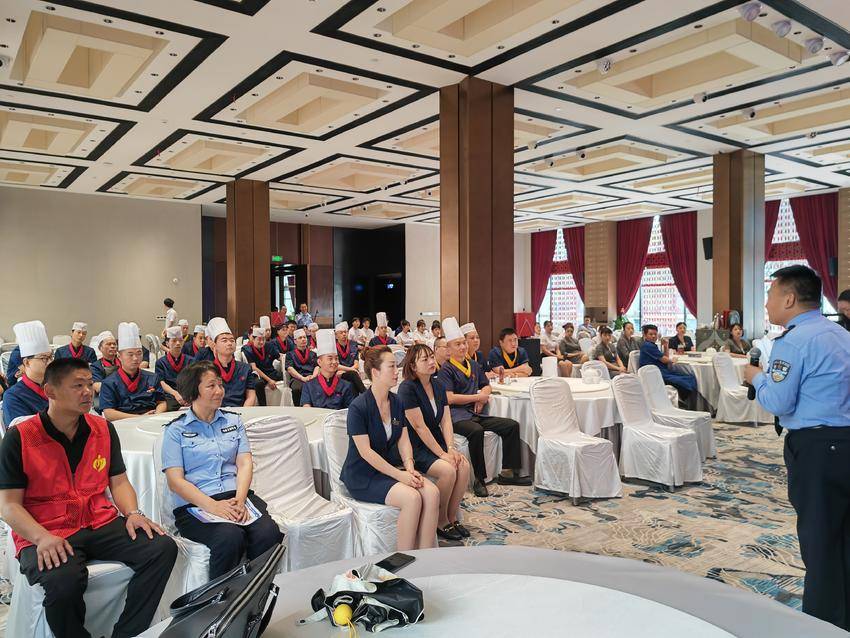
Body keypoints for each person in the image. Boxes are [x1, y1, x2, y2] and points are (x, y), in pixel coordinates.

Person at [0, 357, 177, 638]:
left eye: (88, 384)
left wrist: (133, 513)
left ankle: (128, 633)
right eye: (77, 386)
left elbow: (118, 480)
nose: (87, 392)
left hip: (98, 520)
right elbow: (8, 505)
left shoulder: (102, 429)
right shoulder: (20, 437)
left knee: (162, 548)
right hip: (47, 528)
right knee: (63, 582)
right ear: (50, 391)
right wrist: (41, 537)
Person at [742, 265, 850, 631]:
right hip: (845, 442)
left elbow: (779, 402)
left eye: (770, 295)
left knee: (819, 541)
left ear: (789, 298)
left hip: (817, 450)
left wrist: (756, 377)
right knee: (843, 536)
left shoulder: (793, 341)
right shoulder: (840, 334)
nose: (766, 303)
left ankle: (822, 624)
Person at [162, 361, 284, 579]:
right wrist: (214, 506)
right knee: (229, 537)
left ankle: (256, 589)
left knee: (268, 532)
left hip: (236, 496)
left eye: (220, 384)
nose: (219, 391)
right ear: (193, 390)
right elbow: (175, 481)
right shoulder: (176, 430)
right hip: (196, 504)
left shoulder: (233, 421)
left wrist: (240, 500)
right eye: (211, 386)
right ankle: (221, 596)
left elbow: (245, 463)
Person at [340, 347, 439, 551]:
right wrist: (400, 476)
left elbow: (403, 440)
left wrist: (409, 467)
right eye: (392, 367)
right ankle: (405, 557)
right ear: (375, 372)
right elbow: (366, 453)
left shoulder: (396, 402)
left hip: (387, 469)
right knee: (412, 498)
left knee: (432, 493)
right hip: (362, 475)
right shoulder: (358, 407)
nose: (397, 371)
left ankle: (426, 556)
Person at [438, 317, 530, 497]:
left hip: (474, 413)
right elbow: (449, 398)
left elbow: (486, 385)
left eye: (464, 343)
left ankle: (508, 473)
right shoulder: (446, 370)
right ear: (448, 349)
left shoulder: (473, 365)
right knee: (476, 431)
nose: (463, 347)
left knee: (511, 425)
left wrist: (482, 397)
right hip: (455, 416)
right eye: (458, 344)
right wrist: (477, 397)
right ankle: (479, 479)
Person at [399, 344, 471, 541]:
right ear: (413, 366)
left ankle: (452, 516)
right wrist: (442, 455)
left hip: (436, 441)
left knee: (463, 465)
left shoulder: (438, 385)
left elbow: (446, 420)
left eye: (432, 357)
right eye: (425, 359)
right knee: (448, 470)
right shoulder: (407, 388)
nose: (431, 362)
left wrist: (450, 448)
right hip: (415, 445)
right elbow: (419, 427)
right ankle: (440, 520)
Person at [100, 323, 166, 420]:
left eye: (139, 353)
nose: (135, 358)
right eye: (130, 354)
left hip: (151, 420)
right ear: (119, 356)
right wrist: (140, 418)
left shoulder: (153, 377)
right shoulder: (109, 382)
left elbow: (162, 402)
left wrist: (155, 415)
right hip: (123, 422)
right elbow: (109, 413)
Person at [2, 321, 52, 426]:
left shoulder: (58, 386)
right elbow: (21, 431)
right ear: (27, 362)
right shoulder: (13, 395)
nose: (50, 362)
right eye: (44, 358)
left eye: (51, 357)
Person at [639, 324, 697, 408]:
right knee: (685, 381)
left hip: (662, 371)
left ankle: (681, 400)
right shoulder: (647, 346)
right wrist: (672, 360)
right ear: (645, 335)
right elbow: (664, 359)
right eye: (651, 334)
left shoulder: (652, 345)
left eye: (655, 334)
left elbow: (664, 358)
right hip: (655, 375)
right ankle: (680, 402)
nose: (653, 336)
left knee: (689, 377)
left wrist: (666, 346)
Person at [206, 317, 256, 408]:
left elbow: (251, 396)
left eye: (232, 340)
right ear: (215, 345)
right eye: (224, 340)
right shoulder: (207, 369)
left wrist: (243, 412)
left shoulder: (245, 368)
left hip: (241, 411)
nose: (229, 343)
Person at [300, 330, 355, 409]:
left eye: (336, 358)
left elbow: (349, 410)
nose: (334, 362)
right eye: (330, 359)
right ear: (319, 362)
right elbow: (306, 407)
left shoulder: (346, 386)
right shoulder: (309, 385)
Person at [155, 326, 194, 411]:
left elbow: (194, 380)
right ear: (167, 343)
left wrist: (189, 395)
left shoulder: (191, 360)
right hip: (170, 395)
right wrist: (175, 393)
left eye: (180, 340)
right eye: (174, 341)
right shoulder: (160, 362)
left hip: (188, 395)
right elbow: (161, 382)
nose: (178, 343)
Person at [242, 327, 282, 407]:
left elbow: (279, 357)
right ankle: (263, 406)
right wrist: (269, 380)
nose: (261, 342)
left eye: (263, 339)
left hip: (270, 372)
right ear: (253, 339)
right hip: (257, 374)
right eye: (259, 339)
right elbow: (254, 368)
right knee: (258, 384)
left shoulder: (269, 345)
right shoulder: (247, 349)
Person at [285, 328, 317, 405]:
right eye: (300, 338)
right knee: (297, 388)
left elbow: (317, 366)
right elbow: (290, 369)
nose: (303, 339)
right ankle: (298, 408)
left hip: (311, 376)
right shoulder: (290, 354)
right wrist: (302, 378)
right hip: (297, 378)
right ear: (295, 341)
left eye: (304, 337)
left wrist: (313, 376)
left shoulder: (313, 354)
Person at [334, 321, 366, 395]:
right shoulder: (333, 347)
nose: (344, 334)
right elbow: (336, 365)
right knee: (353, 375)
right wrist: (351, 370)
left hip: (349, 371)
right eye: (341, 333)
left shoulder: (353, 344)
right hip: (339, 373)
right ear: (336, 335)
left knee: (353, 378)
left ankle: (364, 395)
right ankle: (366, 394)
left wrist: (350, 370)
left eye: (345, 332)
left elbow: (356, 364)